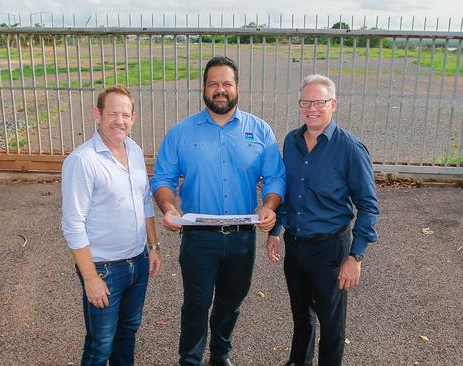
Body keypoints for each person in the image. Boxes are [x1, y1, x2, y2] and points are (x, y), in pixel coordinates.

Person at [152, 56, 286, 366]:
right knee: (197, 304)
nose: (220, 90)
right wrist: (168, 206)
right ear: (204, 88)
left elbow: (275, 177)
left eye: (227, 83)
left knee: (230, 303)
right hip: (199, 239)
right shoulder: (181, 133)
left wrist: (269, 205)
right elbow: (162, 178)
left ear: (238, 87)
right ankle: (190, 359)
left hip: (241, 240)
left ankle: (220, 355)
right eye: (214, 84)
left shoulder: (260, 131)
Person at [265, 74, 379, 366]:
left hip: (330, 249)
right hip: (296, 245)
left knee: (331, 324)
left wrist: (356, 256)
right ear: (300, 104)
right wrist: (276, 229)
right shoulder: (291, 141)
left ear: (333, 104)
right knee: (301, 316)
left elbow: (368, 205)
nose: (312, 108)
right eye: (306, 102)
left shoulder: (350, 149)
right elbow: (288, 190)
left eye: (319, 102)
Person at [61, 86, 162, 366]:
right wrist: (91, 279)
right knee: (100, 346)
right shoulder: (82, 161)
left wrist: (152, 248)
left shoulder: (135, 150)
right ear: (98, 114)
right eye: (113, 113)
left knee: (128, 333)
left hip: (137, 263)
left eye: (126, 114)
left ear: (133, 118)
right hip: (104, 269)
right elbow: (73, 225)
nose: (120, 120)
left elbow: (144, 201)